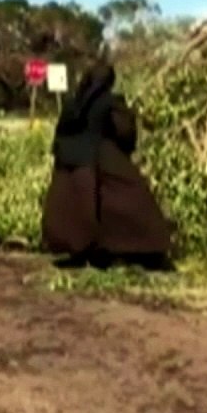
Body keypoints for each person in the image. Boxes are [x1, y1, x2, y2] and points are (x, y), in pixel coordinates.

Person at [41, 61, 175, 270]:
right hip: (98, 158)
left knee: (75, 210)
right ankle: (146, 252)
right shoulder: (110, 103)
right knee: (132, 199)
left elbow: (60, 136)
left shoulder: (71, 104)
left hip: (68, 165)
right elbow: (125, 132)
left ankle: (85, 251)